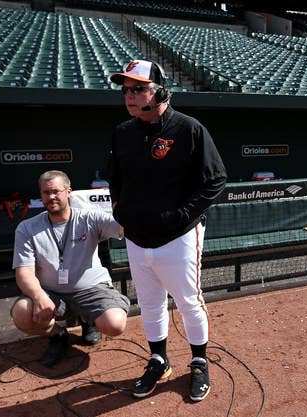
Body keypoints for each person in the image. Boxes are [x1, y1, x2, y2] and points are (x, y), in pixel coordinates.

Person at [108, 60, 227, 401]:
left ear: (159, 91)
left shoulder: (188, 129)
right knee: (149, 304)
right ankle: (158, 360)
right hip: (135, 236)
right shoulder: (122, 132)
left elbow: (216, 180)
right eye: (126, 89)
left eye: (138, 89)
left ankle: (200, 362)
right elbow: (115, 177)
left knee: (190, 302)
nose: (129, 96)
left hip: (178, 238)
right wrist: (120, 209)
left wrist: (182, 216)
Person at [11, 170, 130, 367]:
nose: (51, 197)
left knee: (115, 323)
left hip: (90, 289)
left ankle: (89, 322)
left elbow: (121, 227)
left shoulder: (89, 218)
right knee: (22, 313)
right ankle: (58, 335)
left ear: (68, 192)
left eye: (56, 191)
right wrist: (39, 297)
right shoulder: (27, 228)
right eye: (46, 193)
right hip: (51, 293)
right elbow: (24, 273)